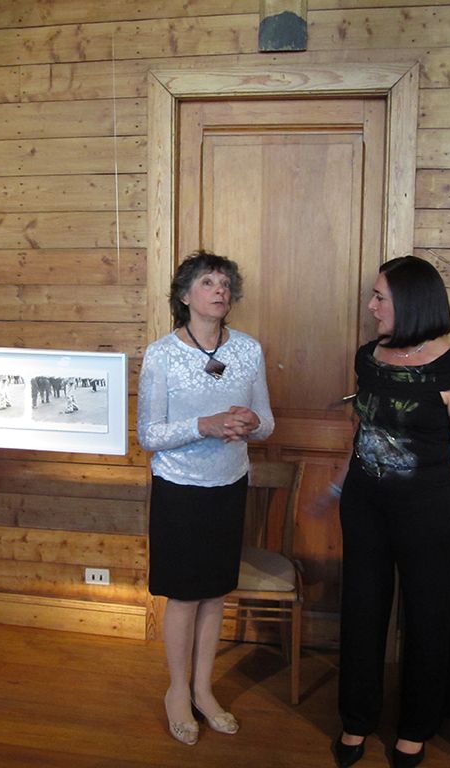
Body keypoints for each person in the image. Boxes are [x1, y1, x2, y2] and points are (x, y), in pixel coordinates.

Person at [329, 255, 450, 768]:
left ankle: (414, 732)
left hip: (427, 514)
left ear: (412, 304)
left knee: (426, 621)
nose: (372, 306)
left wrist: (440, 498)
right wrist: (342, 484)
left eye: (380, 297)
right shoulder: (368, 356)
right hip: (364, 506)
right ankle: (356, 722)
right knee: (360, 613)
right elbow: (363, 431)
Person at [137, 250, 275, 746]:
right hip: (179, 488)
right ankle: (176, 691)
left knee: (215, 590)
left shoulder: (248, 350)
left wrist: (251, 423)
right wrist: (206, 425)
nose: (219, 290)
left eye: (224, 283)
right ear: (184, 295)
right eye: (207, 282)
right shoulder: (162, 353)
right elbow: (149, 434)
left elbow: (268, 419)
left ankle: (203, 689)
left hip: (229, 483)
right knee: (184, 593)